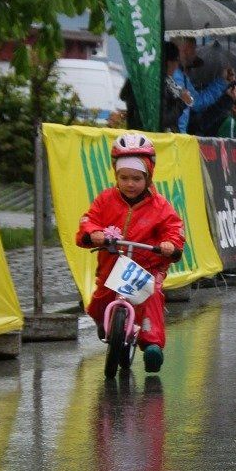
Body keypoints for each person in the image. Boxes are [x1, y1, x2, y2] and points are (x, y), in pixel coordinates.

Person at [75, 133, 184, 374]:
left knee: (151, 296)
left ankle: (152, 345)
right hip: (111, 264)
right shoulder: (105, 200)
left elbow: (174, 228)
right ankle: (105, 322)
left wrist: (170, 244)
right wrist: (93, 232)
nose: (130, 184)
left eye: (137, 178)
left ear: (148, 176)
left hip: (147, 266)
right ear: (116, 175)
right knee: (99, 301)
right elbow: (89, 220)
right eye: (124, 178)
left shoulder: (160, 206)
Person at [167, 41, 236, 136]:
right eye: (194, 49)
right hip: (175, 133)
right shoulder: (177, 76)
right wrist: (221, 83)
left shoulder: (181, 76)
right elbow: (196, 103)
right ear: (187, 49)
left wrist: (222, 82)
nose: (195, 54)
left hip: (179, 132)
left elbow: (196, 101)